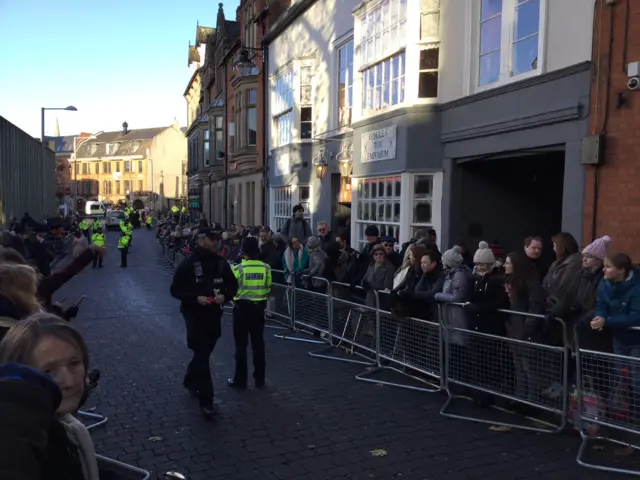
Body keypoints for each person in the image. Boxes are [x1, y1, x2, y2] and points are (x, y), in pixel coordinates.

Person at [0, 313, 100, 479]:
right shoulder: (15, 443)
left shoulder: (59, 428)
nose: (69, 381)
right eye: (48, 371)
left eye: (74, 363)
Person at [169, 228, 238, 419]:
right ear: (201, 240)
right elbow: (175, 290)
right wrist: (194, 298)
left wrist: (225, 296)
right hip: (194, 314)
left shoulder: (220, 262)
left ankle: (190, 379)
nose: (215, 242)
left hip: (214, 313)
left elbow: (233, 285)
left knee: (205, 351)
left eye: (217, 239)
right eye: (211, 239)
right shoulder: (189, 263)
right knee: (201, 353)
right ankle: (206, 402)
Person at [228, 237, 272, 390]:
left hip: (241, 309)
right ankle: (259, 379)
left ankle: (240, 380)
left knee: (241, 345)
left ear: (243, 251)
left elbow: (232, 289)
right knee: (258, 344)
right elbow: (268, 287)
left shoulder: (238, 269)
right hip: (259, 309)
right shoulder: (266, 268)